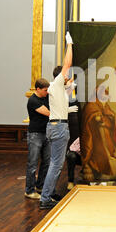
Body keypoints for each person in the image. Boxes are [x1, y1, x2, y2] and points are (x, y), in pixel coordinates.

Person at [39, 32, 75, 210]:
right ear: (60, 76)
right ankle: (45, 197)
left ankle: (49, 193)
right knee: (56, 164)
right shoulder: (58, 82)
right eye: (65, 77)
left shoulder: (55, 88)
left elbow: (64, 98)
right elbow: (67, 64)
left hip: (54, 126)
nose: (67, 78)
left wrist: (70, 86)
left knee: (54, 163)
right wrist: (70, 45)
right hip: (59, 128)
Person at [24, 78, 50, 200]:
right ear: (38, 89)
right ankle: (29, 190)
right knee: (33, 163)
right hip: (35, 135)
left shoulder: (45, 97)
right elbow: (48, 113)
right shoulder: (33, 101)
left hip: (46, 134)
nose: (47, 92)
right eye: (45, 90)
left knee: (47, 161)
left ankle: (40, 186)